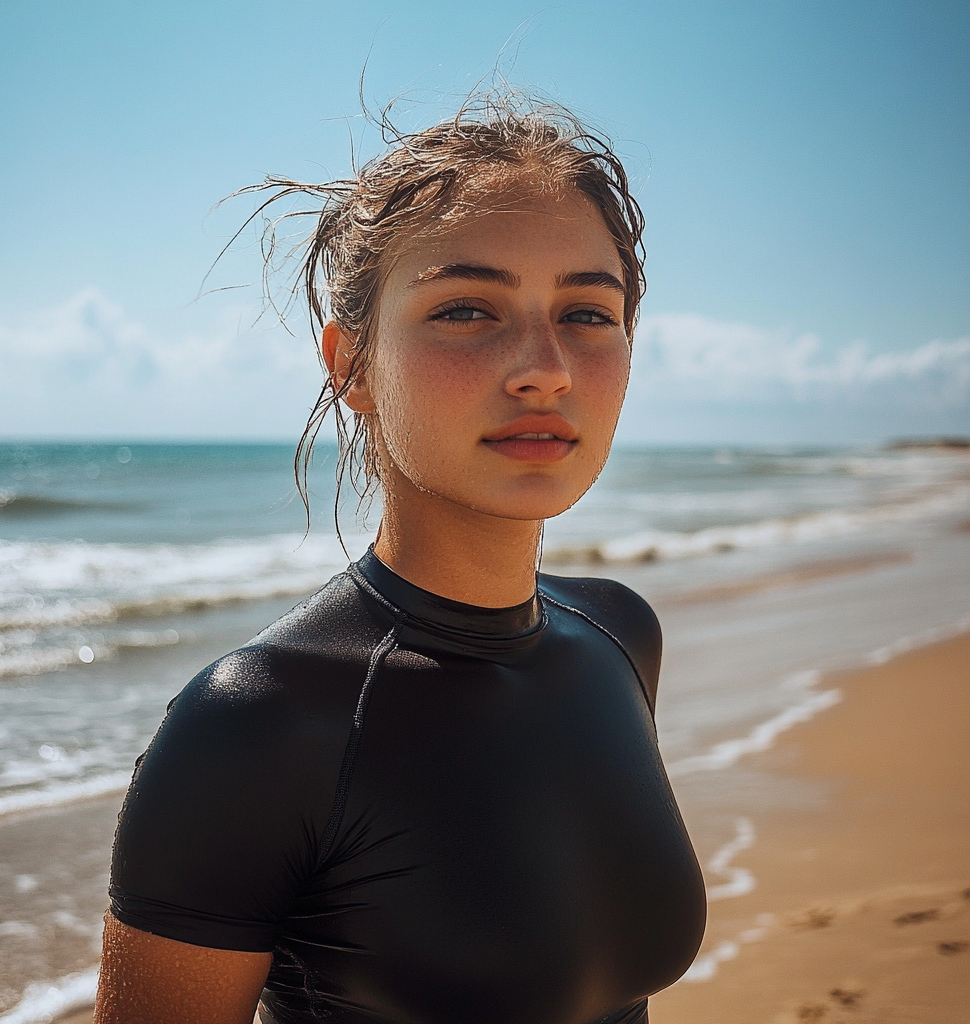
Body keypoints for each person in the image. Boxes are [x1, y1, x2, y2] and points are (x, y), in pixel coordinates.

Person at [96, 93, 706, 1024]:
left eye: (588, 312)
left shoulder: (621, 634)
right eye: (466, 308)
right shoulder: (259, 726)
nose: (545, 366)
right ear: (352, 368)